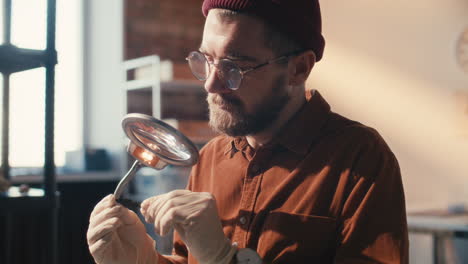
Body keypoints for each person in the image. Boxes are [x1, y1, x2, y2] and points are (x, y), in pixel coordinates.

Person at [87, 0, 409, 263]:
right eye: (206, 59)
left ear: (298, 69)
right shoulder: (210, 157)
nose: (211, 83)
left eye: (234, 67)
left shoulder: (362, 162)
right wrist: (145, 260)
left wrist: (226, 259)